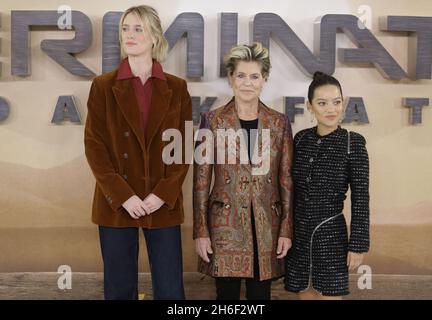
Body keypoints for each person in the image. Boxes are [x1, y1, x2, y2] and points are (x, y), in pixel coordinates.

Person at [84, 5, 192, 300]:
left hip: (162, 203)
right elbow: (95, 146)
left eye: (138, 28)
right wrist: (124, 196)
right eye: (125, 28)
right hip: (117, 204)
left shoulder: (177, 88)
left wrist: (161, 195)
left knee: (171, 290)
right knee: (119, 289)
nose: (129, 35)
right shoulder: (103, 86)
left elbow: (182, 150)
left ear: (154, 36)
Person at [193, 43, 294, 300]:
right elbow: (201, 183)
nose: (247, 83)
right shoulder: (212, 121)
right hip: (224, 229)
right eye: (241, 75)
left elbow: (286, 181)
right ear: (230, 79)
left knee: (260, 297)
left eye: (254, 76)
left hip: (266, 229)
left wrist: (286, 229)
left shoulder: (279, 122)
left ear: (264, 80)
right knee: (225, 297)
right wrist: (201, 232)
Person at [284, 71, 370, 299]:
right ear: (309, 106)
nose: (331, 109)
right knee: (304, 293)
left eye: (336, 102)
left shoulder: (353, 143)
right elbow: (289, 190)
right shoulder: (301, 139)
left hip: (331, 236)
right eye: (322, 103)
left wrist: (358, 245)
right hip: (299, 237)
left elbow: (361, 198)